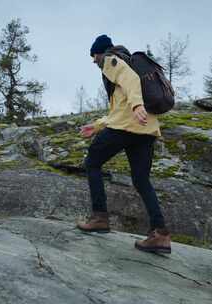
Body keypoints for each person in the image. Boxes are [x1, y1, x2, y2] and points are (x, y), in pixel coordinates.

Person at [76, 34, 171, 254]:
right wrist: (97, 126)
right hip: (145, 129)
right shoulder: (127, 61)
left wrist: (137, 106)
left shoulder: (111, 59)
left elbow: (130, 81)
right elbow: (119, 106)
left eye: (94, 56)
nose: (94, 62)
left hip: (127, 126)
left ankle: (99, 217)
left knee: (92, 163)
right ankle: (161, 235)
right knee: (141, 180)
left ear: (100, 52)